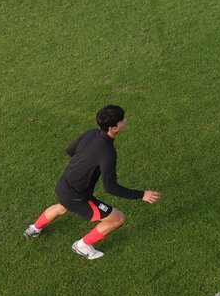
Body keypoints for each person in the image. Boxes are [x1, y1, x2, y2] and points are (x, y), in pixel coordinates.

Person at [23, 105, 162, 260]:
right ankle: (82, 246)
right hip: (78, 196)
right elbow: (111, 187)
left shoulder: (91, 133)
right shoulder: (108, 153)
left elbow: (70, 150)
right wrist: (142, 195)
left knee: (62, 206)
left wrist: (85, 162)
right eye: (122, 120)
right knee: (118, 219)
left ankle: (34, 229)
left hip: (63, 185)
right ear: (112, 128)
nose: (125, 121)